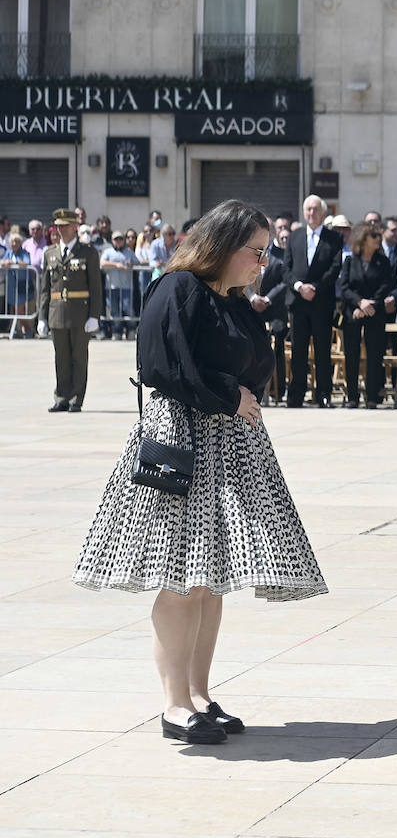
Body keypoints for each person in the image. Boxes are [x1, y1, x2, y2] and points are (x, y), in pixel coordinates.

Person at [73, 199, 327, 745]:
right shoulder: (177, 287)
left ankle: (199, 694)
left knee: (209, 583)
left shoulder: (232, 300)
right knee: (181, 580)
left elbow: (253, 364)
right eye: (255, 251)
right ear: (224, 245)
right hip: (182, 444)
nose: (262, 262)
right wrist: (223, 393)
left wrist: (239, 392)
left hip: (227, 445)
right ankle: (172, 705)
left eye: (265, 252)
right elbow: (160, 367)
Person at [37, 209, 103, 412]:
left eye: (65, 225)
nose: (61, 229)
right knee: (61, 358)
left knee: (79, 358)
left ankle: (76, 399)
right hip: (57, 312)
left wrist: (94, 315)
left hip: (80, 313)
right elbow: (45, 289)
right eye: (58, 225)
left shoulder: (88, 253)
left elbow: (95, 288)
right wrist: (42, 317)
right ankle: (61, 397)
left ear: (75, 227)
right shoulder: (50, 253)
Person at [283, 195, 344, 407]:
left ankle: (323, 394)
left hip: (321, 302)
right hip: (298, 303)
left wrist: (315, 288)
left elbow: (335, 268)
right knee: (299, 351)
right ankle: (297, 394)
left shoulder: (334, 238)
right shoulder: (294, 236)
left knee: (322, 351)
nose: (311, 213)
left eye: (315, 209)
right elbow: (286, 269)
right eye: (308, 209)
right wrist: (300, 287)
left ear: (323, 212)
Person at [340, 222, 397, 409]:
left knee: (375, 354)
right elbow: (345, 287)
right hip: (354, 312)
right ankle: (352, 397)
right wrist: (359, 303)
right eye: (374, 236)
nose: (378, 239)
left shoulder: (383, 261)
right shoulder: (350, 260)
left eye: (379, 236)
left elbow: (385, 285)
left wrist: (369, 304)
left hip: (375, 312)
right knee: (352, 355)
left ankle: (372, 396)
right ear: (364, 239)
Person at [250, 226, 292, 404]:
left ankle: (278, 390)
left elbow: (285, 282)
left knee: (277, 350)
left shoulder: (282, 257)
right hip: (253, 309)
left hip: (275, 310)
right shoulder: (251, 253)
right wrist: (252, 298)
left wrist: (267, 299)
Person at [99, 231, 140, 339]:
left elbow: (137, 262)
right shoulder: (108, 252)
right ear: (112, 241)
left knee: (128, 308)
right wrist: (116, 265)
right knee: (114, 310)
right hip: (111, 287)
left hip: (126, 287)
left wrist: (132, 264)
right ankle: (117, 331)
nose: (118, 241)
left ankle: (131, 330)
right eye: (116, 239)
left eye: (120, 239)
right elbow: (102, 263)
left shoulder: (129, 251)